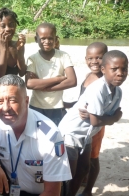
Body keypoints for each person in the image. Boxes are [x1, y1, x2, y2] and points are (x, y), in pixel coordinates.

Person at [0, 74, 72, 196]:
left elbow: (52, 192)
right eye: (0, 101)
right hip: (10, 188)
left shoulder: (49, 136)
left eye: (12, 100)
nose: (6, 108)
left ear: (26, 101)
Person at [58, 50, 128, 196]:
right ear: (103, 69)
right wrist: (114, 118)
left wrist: (106, 118)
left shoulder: (118, 92)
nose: (120, 73)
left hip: (87, 133)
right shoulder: (98, 89)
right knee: (68, 172)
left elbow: (101, 118)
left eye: (124, 68)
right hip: (70, 132)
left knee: (84, 169)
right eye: (114, 69)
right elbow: (98, 120)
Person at [25, 22, 77, 126]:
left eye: (50, 38)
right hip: (36, 106)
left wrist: (45, 87)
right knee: (37, 137)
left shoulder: (63, 56)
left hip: (56, 107)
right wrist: (58, 79)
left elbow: (72, 81)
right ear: (36, 39)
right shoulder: (33, 59)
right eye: (43, 38)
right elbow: (29, 84)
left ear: (56, 39)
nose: (47, 41)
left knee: (55, 137)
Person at [76, 42, 107, 196]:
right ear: (85, 59)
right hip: (82, 124)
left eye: (99, 58)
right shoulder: (89, 76)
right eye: (90, 58)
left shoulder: (105, 81)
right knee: (83, 155)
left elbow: (109, 108)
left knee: (93, 158)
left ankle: (88, 190)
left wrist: (91, 115)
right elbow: (82, 98)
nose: (94, 61)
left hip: (95, 126)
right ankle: (83, 178)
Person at [0, 7, 26, 110]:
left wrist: (20, 52)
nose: (8, 29)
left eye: (11, 25)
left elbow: (22, 72)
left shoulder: (17, 45)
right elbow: (0, 74)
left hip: (12, 93)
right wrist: (4, 48)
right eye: (3, 26)